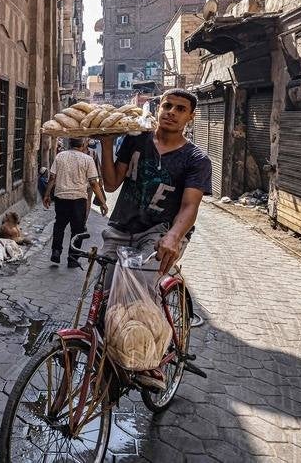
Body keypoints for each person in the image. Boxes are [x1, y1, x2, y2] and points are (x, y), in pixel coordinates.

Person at [98, 88, 212, 390]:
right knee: (105, 301)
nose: (171, 112)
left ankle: (154, 361)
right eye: (167, 106)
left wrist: (174, 236)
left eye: (180, 108)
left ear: (190, 116)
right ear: (158, 108)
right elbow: (111, 183)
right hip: (121, 227)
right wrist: (107, 144)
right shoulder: (136, 139)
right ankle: (114, 357)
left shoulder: (195, 159)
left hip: (160, 234)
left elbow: (190, 206)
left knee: (136, 299)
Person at [42, 138, 108, 268]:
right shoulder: (87, 159)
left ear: (70, 143)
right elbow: (94, 183)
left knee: (59, 225)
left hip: (61, 196)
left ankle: (56, 251)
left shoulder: (60, 156)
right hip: (79, 199)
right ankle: (73, 258)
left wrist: (47, 194)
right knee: (78, 229)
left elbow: (52, 177)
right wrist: (102, 202)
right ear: (83, 145)